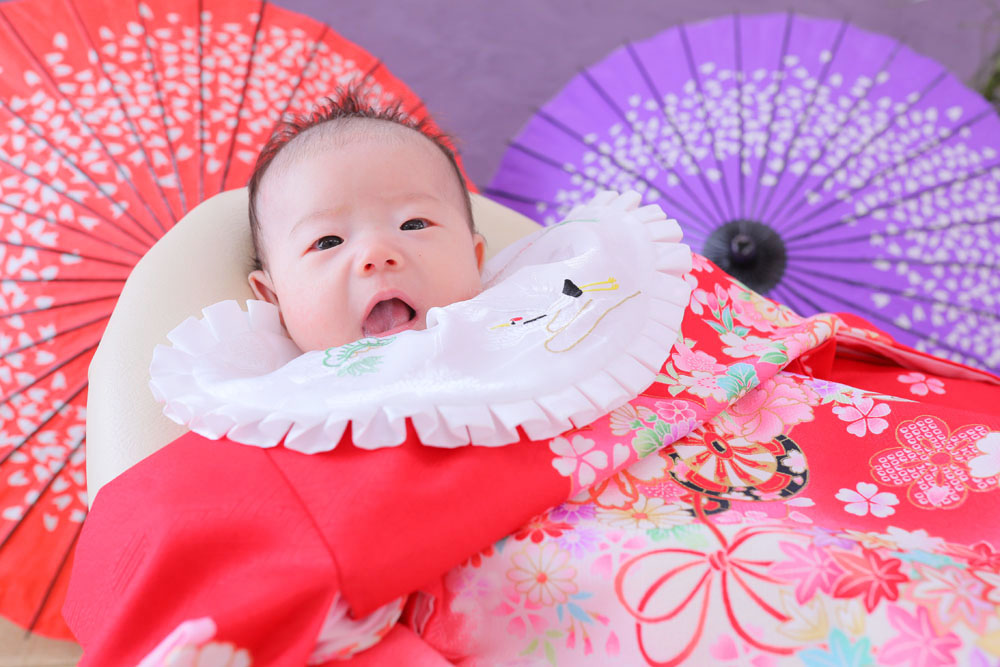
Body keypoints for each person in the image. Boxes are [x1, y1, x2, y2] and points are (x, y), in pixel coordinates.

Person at [244, 90, 486, 352]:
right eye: (328, 242)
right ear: (274, 300)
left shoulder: (513, 321)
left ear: (474, 259)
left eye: (413, 224)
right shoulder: (264, 375)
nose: (376, 253)